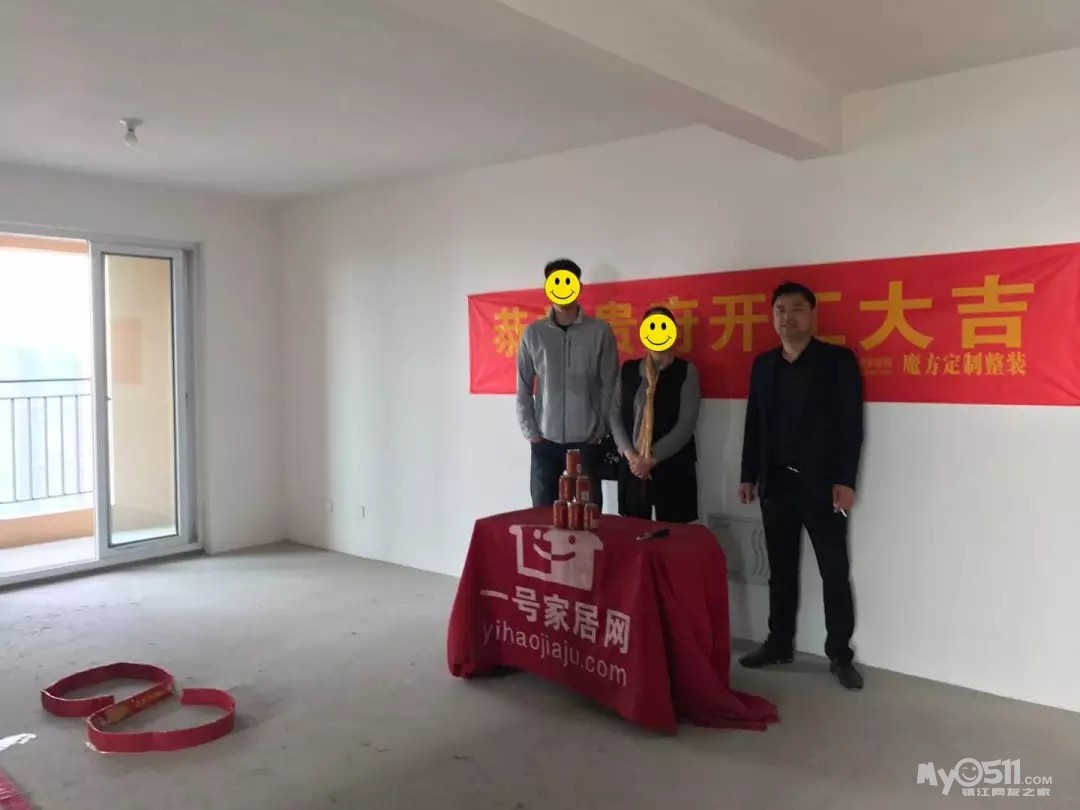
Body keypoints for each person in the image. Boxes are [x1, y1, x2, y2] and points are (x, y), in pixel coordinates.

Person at [737, 281, 866, 691]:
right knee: (780, 570)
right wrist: (748, 474)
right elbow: (754, 422)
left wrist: (845, 480)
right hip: (775, 483)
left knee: (834, 570)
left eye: (796, 309)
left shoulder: (837, 362)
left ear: (812, 314)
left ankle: (840, 654)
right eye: (780, 310)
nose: (787, 317)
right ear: (772, 316)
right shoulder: (764, 365)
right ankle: (778, 643)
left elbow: (851, 425)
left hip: (823, 486)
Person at [516, 258, 619, 509]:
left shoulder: (600, 332)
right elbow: (523, 387)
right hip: (545, 444)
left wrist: (599, 430)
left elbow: (611, 385)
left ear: (579, 287)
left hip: (586, 444)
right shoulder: (534, 333)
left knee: (587, 517)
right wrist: (532, 434)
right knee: (543, 517)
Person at [609, 306, 701, 522]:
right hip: (632, 467)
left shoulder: (686, 372)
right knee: (633, 532)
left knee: (674, 534)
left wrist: (651, 459)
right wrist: (632, 457)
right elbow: (614, 415)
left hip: (673, 466)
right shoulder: (629, 370)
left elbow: (685, 425)